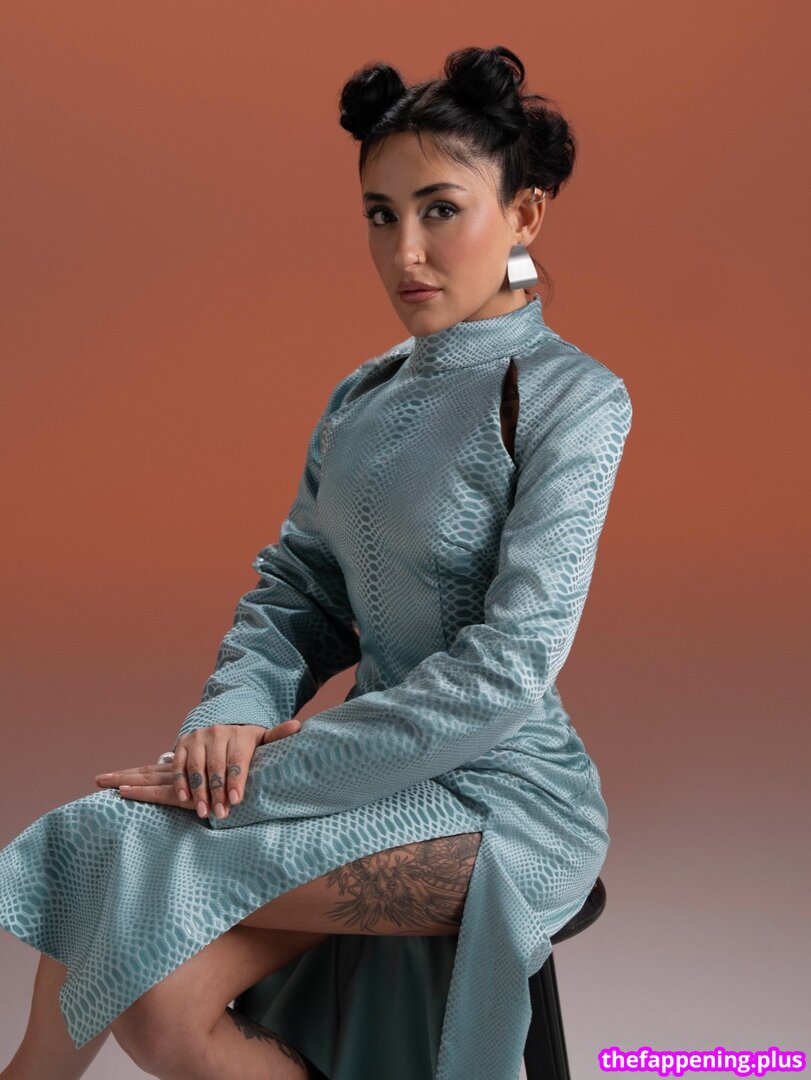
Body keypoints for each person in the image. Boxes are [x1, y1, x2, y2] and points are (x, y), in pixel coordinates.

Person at [0, 44, 633, 1080]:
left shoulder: (575, 400)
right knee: (159, 1007)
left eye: (440, 210)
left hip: (502, 793)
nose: (404, 251)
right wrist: (228, 717)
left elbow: (507, 672)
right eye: (380, 215)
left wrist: (263, 779)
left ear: (523, 215)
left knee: (109, 839)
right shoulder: (362, 396)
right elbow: (299, 592)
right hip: (358, 773)